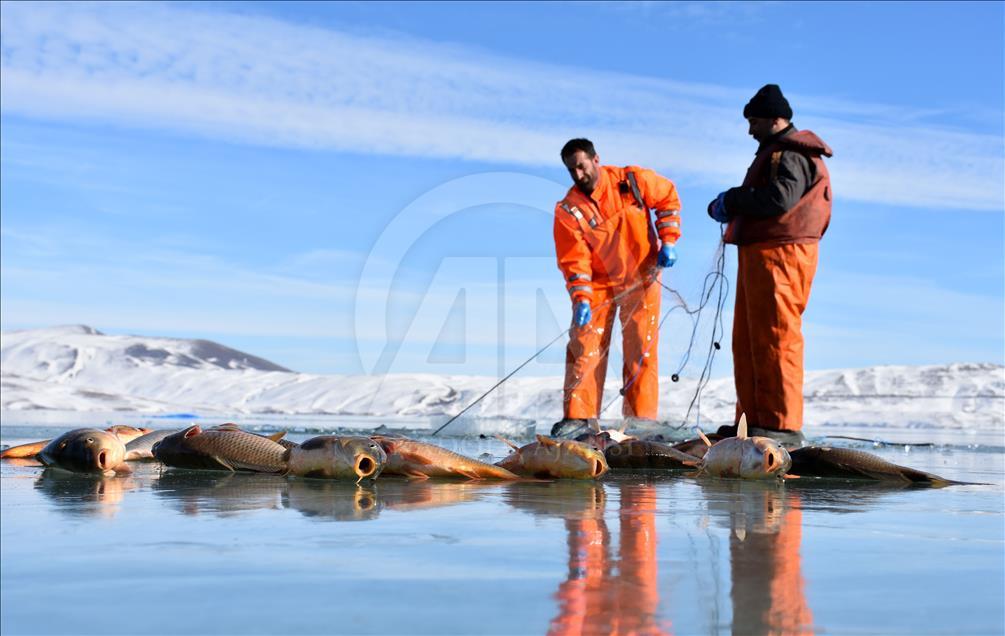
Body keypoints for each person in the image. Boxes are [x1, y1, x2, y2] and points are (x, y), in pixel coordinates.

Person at [707, 84, 833, 445]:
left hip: (783, 255)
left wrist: (732, 199)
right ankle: (752, 421)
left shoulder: (790, 154)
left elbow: (780, 199)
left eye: (755, 122)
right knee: (748, 339)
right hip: (761, 254)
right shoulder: (776, 151)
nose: (750, 130)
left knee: (777, 337)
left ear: (777, 119)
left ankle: (782, 424)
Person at [551, 138, 682, 437]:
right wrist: (581, 299)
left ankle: (641, 421)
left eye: (582, 167)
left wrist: (669, 240)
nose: (578, 175)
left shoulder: (632, 181)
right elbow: (575, 262)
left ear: (596, 159)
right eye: (572, 170)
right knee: (585, 345)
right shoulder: (569, 211)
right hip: (598, 285)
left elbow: (668, 200)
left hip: (641, 275)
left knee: (641, 346)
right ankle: (579, 419)